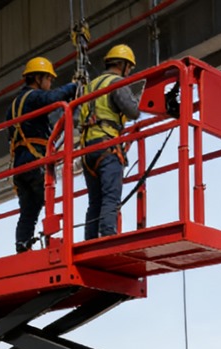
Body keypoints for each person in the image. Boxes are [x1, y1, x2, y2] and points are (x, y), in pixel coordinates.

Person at [8, 57, 78, 253]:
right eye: (48, 79)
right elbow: (51, 98)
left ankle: (22, 245)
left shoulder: (13, 106)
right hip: (34, 160)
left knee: (29, 209)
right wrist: (73, 87)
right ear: (38, 78)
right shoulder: (33, 97)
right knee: (45, 199)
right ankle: (51, 241)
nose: (49, 84)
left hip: (20, 167)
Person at [80, 44, 141, 240]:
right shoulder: (116, 83)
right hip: (108, 145)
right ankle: (107, 235)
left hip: (87, 150)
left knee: (94, 201)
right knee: (111, 196)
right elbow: (133, 112)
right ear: (122, 65)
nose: (129, 72)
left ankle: (90, 238)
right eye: (129, 67)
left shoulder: (89, 87)